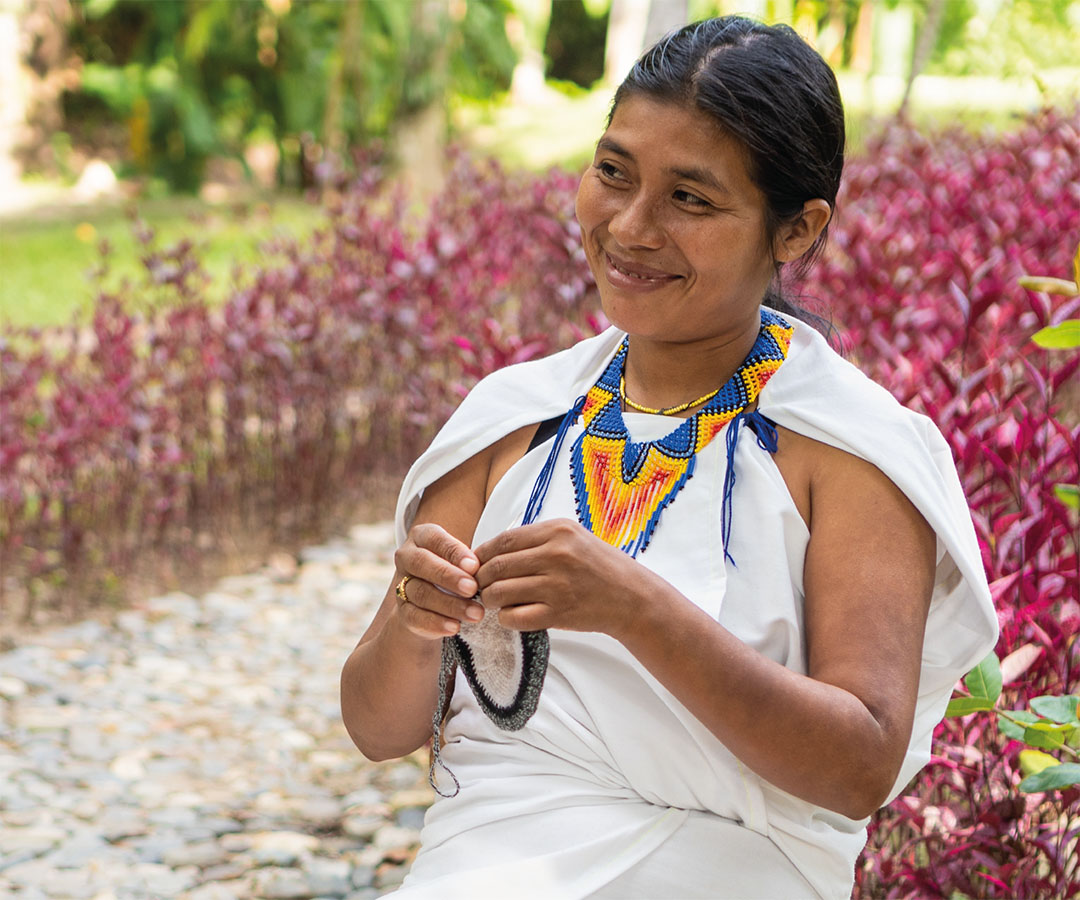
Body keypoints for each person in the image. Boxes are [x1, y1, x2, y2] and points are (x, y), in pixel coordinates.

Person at [340, 16, 997, 900]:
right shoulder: (514, 419)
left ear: (796, 231)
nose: (631, 226)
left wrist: (636, 609)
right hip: (486, 864)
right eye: (614, 173)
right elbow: (379, 728)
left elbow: (857, 767)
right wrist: (413, 625)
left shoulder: (850, 451)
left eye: (690, 198)